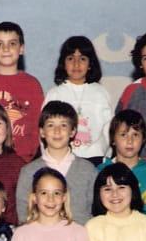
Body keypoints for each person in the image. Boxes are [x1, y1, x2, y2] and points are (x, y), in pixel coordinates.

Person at [0, 21, 44, 163]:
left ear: (21, 49)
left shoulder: (32, 85)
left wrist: (29, 156)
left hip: (23, 160)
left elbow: (37, 125)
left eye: (12, 43)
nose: (6, 49)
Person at [15, 101, 98, 225]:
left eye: (63, 125)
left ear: (73, 131)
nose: (57, 131)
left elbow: (95, 212)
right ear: (42, 132)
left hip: (80, 234)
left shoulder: (88, 170)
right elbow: (24, 215)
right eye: (51, 125)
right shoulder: (28, 172)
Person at [42, 35, 112, 165]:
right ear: (63, 64)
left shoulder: (100, 93)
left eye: (82, 59)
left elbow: (109, 129)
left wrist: (104, 156)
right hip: (62, 157)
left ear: (90, 64)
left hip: (95, 158)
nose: (76, 64)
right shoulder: (55, 93)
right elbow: (44, 128)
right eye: (70, 59)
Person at [98, 109, 146, 229]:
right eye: (123, 135)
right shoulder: (100, 172)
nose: (130, 141)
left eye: (135, 135)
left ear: (143, 139)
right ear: (113, 139)